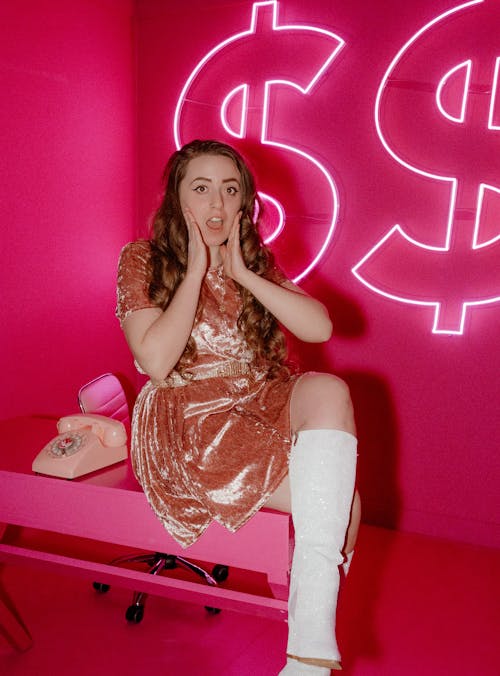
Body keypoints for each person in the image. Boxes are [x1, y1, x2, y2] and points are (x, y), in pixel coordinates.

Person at [116, 139, 361, 675]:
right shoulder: (143, 258)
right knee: (343, 507)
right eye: (200, 188)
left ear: (245, 202)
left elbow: (319, 326)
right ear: (176, 199)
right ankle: (309, 660)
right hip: (187, 417)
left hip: (256, 399)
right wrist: (197, 270)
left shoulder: (253, 261)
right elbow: (155, 361)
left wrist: (244, 273)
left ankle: (307, 658)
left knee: (329, 392)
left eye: (230, 190)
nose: (217, 204)